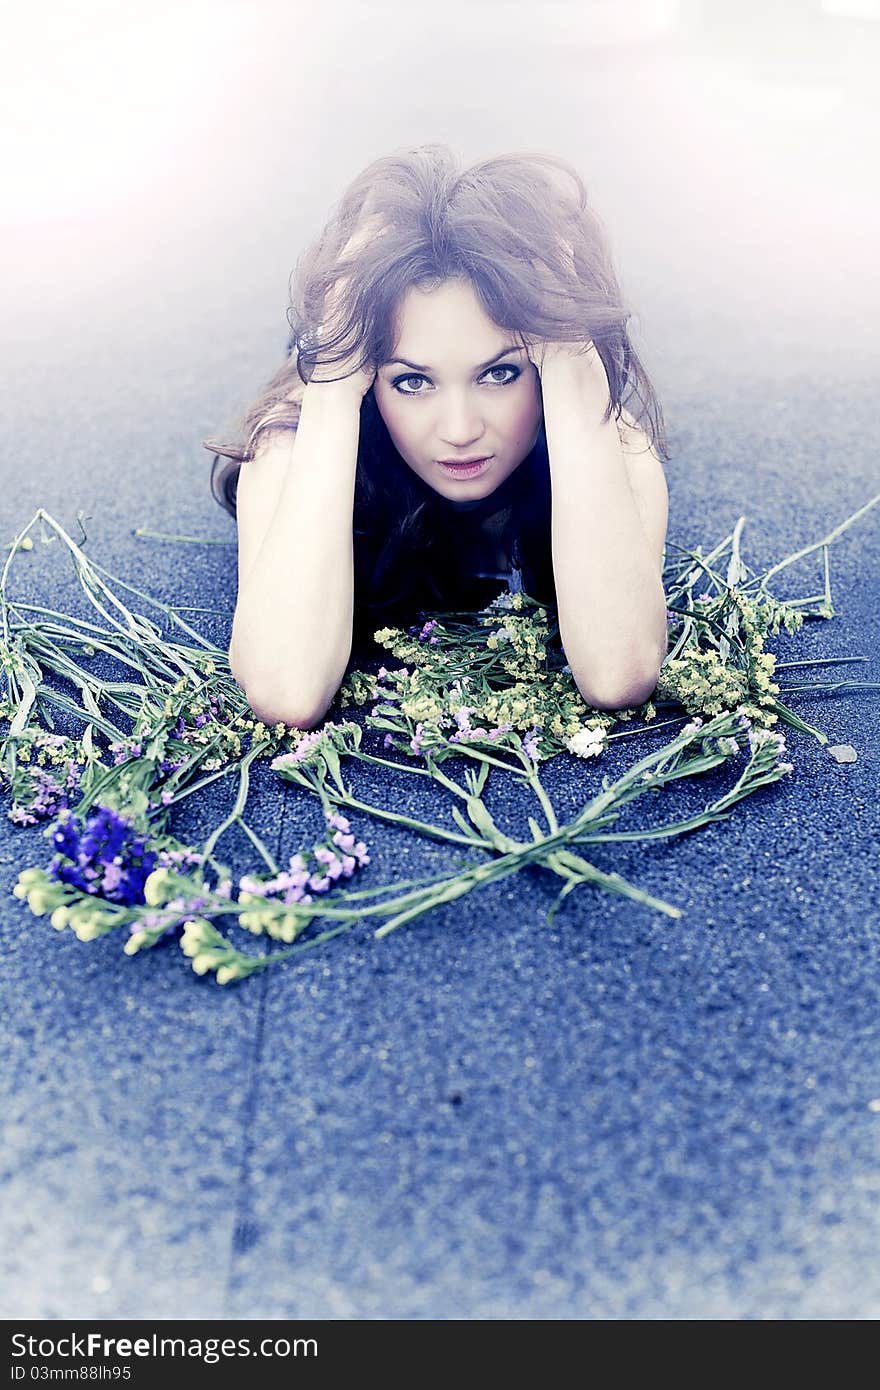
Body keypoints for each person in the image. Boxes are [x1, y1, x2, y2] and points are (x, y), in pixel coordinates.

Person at [203, 144, 671, 730]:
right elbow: (286, 692)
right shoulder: (297, 441)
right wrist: (331, 388)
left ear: (548, 364)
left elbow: (617, 674)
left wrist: (577, 367)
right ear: (369, 380)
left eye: (500, 374)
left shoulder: (610, 440)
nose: (459, 431)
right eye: (413, 381)